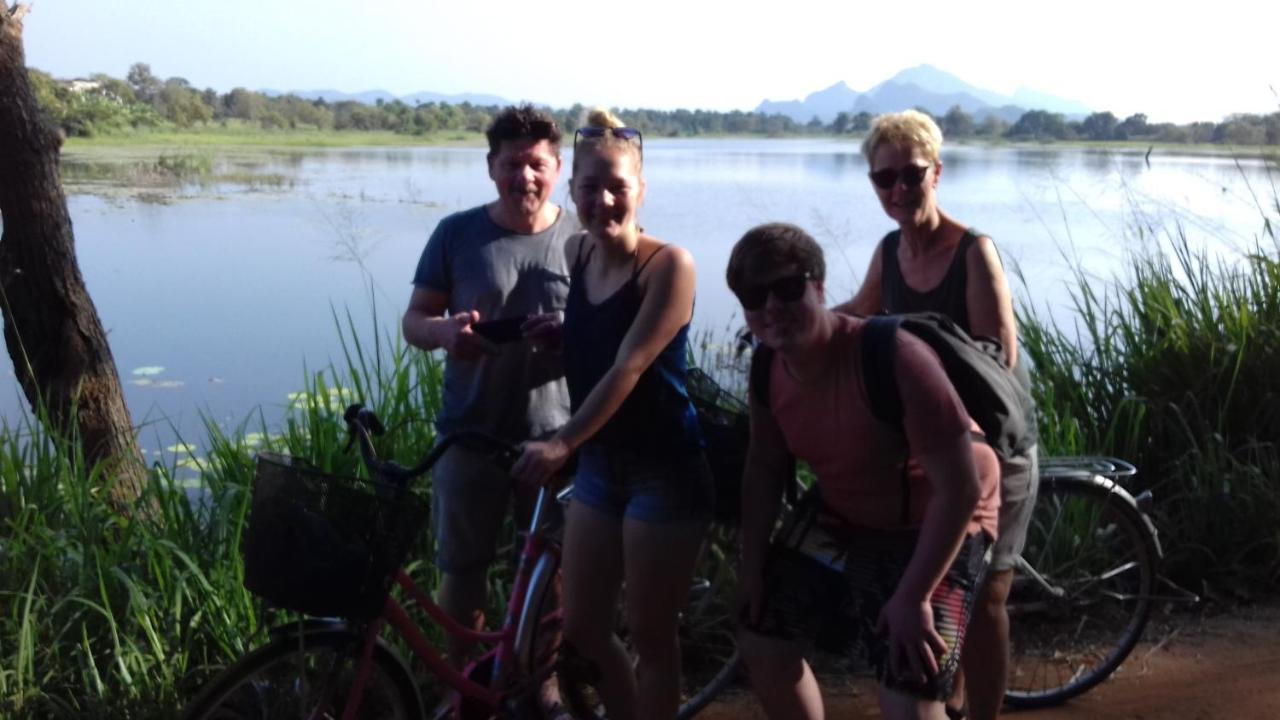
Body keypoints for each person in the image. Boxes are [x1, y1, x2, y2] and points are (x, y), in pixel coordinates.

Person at [729, 223, 1001, 720]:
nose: (771, 307)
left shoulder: (894, 358)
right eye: (754, 294)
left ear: (819, 287)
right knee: (760, 635)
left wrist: (913, 596)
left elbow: (959, 490)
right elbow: (764, 465)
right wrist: (751, 567)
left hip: (940, 518)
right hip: (847, 511)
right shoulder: (768, 366)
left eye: (787, 289)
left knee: (910, 684)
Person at [836, 109, 1039, 720]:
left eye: (912, 174)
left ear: (937, 173)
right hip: (936, 448)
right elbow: (860, 312)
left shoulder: (973, 251)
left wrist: (915, 356)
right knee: (945, 588)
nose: (899, 189)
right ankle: (945, 702)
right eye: (884, 178)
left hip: (996, 445)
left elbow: (995, 353)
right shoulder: (890, 249)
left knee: (987, 600)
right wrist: (799, 328)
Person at [512, 108, 712, 720]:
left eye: (617, 187)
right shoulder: (577, 252)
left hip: (665, 471)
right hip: (601, 465)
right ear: (571, 191)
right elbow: (598, 338)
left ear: (641, 190)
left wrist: (560, 444)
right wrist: (565, 332)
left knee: (652, 638)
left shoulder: (668, 266)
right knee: (584, 632)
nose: (602, 200)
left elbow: (629, 366)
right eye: (589, 187)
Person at [402, 104, 578, 715]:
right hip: (468, 435)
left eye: (536, 165)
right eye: (511, 164)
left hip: (554, 439)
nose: (524, 177)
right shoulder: (455, 233)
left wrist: (571, 333)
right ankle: (463, 688)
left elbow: (616, 335)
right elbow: (414, 321)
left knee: (550, 575)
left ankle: (542, 683)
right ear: (490, 167)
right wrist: (446, 333)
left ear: (557, 167)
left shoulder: (583, 239)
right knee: (462, 570)